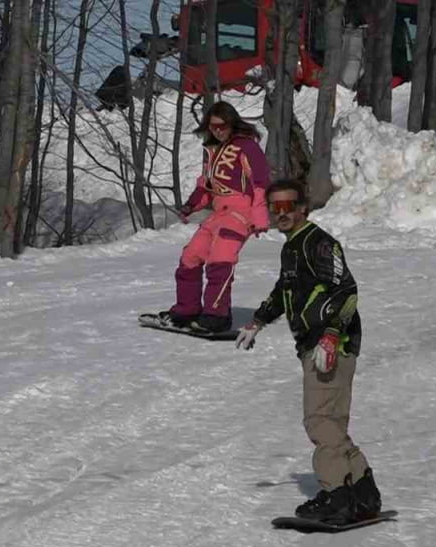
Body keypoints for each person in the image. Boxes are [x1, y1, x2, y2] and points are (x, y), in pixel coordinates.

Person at [234, 179, 380, 525]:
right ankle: (363, 493)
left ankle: (336, 497)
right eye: (275, 207)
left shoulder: (318, 243)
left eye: (288, 206)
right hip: (319, 343)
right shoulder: (293, 248)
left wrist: (330, 336)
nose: (281, 213)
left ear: (303, 208)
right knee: (331, 423)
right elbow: (285, 289)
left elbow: (346, 290)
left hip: (330, 343)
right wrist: (258, 320)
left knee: (318, 421)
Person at [156, 101, 270, 334]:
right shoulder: (211, 150)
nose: (217, 130)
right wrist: (190, 206)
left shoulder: (247, 147)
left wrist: (260, 218)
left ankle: (217, 316)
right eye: (213, 126)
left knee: (220, 260)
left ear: (232, 124)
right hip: (219, 213)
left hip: (241, 212)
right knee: (190, 256)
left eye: (222, 125)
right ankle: (187, 309)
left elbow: (261, 183)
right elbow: (206, 186)